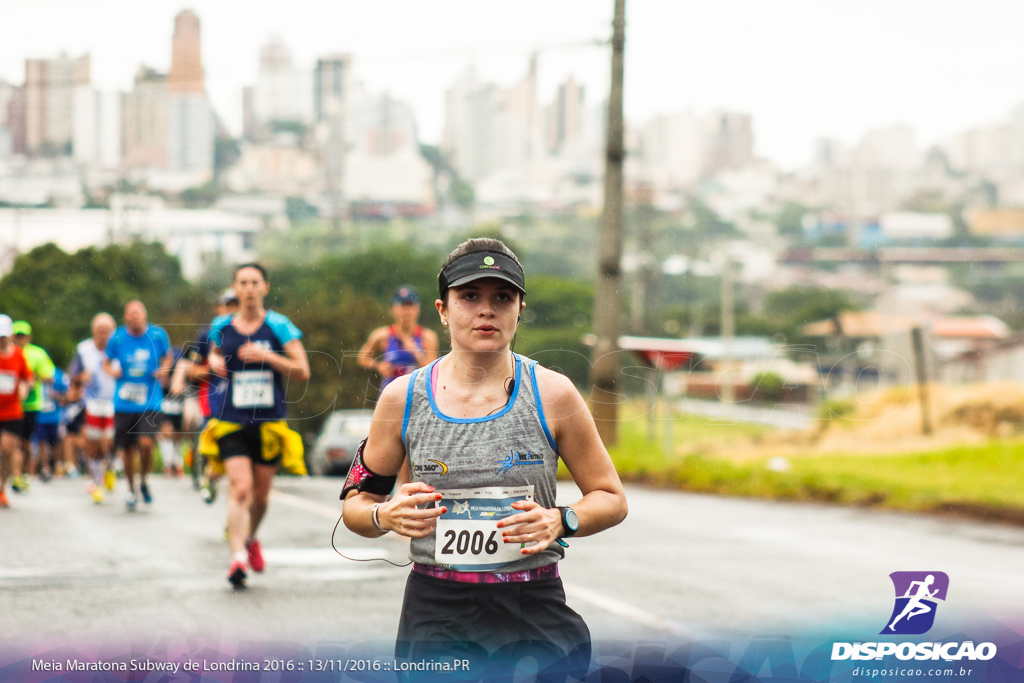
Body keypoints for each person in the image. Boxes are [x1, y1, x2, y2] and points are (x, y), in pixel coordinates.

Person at [342, 238, 628, 672]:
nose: (487, 309)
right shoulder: (403, 398)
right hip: (437, 609)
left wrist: (561, 519)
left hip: (531, 606)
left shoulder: (554, 393)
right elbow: (355, 506)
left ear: (520, 309)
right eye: (470, 296)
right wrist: (386, 516)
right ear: (442, 309)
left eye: (503, 297)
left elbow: (611, 498)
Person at [201, 265, 309, 589]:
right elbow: (211, 355)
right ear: (235, 288)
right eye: (243, 283)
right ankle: (237, 559)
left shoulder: (278, 325)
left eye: (254, 283)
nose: (249, 289)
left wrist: (268, 356)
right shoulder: (221, 326)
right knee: (241, 488)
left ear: (265, 287)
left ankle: (250, 538)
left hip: (268, 422)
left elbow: (302, 370)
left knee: (260, 497)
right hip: (230, 417)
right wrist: (212, 362)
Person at [102, 301, 173, 511]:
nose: (135, 319)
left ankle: (144, 480)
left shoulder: (158, 335)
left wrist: (164, 370)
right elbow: (106, 361)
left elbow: (168, 356)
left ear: (145, 316)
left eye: (138, 315)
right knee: (128, 449)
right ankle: (131, 488)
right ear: (125, 318)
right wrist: (111, 371)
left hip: (151, 400)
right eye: (131, 316)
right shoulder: (117, 337)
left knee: (146, 444)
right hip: (124, 402)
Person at [178, 288, 239, 500]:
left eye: (236, 305)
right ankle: (208, 473)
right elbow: (193, 371)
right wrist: (213, 369)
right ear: (219, 308)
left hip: (245, 404)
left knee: (239, 466)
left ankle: (236, 518)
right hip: (214, 399)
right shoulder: (208, 334)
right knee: (217, 450)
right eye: (228, 305)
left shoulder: (253, 330)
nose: (232, 310)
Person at [68, 313, 118, 503]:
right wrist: (81, 378)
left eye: (107, 331)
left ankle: (111, 465)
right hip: (92, 403)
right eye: (100, 330)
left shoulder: (118, 348)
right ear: (94, 331)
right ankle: (97, 482)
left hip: (115, 403)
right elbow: (72, 375)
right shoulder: (84, 350)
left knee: (110, 443)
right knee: (93, 444)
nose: (103, 334)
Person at [358, 286, 439, 391]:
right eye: (402, 307)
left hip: (417, 395)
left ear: (417, 309)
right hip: (390, 394)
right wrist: (378, 366)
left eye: (410, 307)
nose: (407, 312)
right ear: (393, 309)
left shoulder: (427, 337)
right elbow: (362, 358)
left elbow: (432, 371)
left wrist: (416, 352)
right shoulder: (382, 335)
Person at [11, 321, 55, 488]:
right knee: (13, 441)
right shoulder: (8, 353)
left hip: (32, 404)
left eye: (23, 336)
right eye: (17, 335)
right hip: (11, 405)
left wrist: (32, 377)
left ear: (29, 337)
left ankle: (24, 472)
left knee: (26, 443)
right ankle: (15, 475)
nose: (20, 339)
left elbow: (50, 377)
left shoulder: (37, 353)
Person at [0, 315, 33, 508]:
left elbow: (27, 378)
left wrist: (24, 388)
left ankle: (2, 488)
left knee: (6, 449)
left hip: (12, 410)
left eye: (4, 336)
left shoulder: (19, 355)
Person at [33, 366, 69, 480]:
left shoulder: (58, 375)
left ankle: (58, 465)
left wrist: (56, 396)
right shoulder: (35, 375)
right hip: (40, 416)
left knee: (56, 443)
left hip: (55, 417)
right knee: (42, 442)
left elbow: (66, 395)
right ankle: (45, 467)